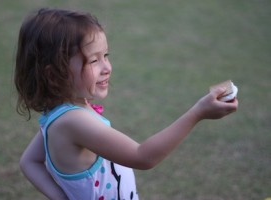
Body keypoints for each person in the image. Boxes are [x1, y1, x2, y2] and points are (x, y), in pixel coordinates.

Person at [15, 8, 238, 200]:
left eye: (106, 55)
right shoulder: (73, 121)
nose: (107, 67)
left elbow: (29, 162)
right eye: (94, 60)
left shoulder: (58, 114)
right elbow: (143, 156)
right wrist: (197, 113)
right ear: (54, 75)